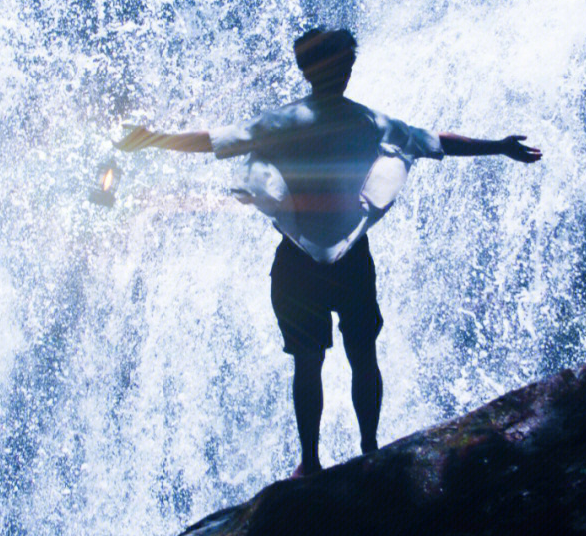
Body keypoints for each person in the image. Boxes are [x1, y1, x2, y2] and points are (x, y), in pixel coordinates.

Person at [114, 27, 541, 477]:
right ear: (346, 69)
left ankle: (312, 462)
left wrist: (152, 139)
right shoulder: (369, 122)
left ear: (305, 70)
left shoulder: (281, 122)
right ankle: (369, 448)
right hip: (351, 257)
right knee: (361, 355)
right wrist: (499, 147)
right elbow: (436, 142)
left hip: (298, 262)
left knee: (308, 363)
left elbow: (209, 141)